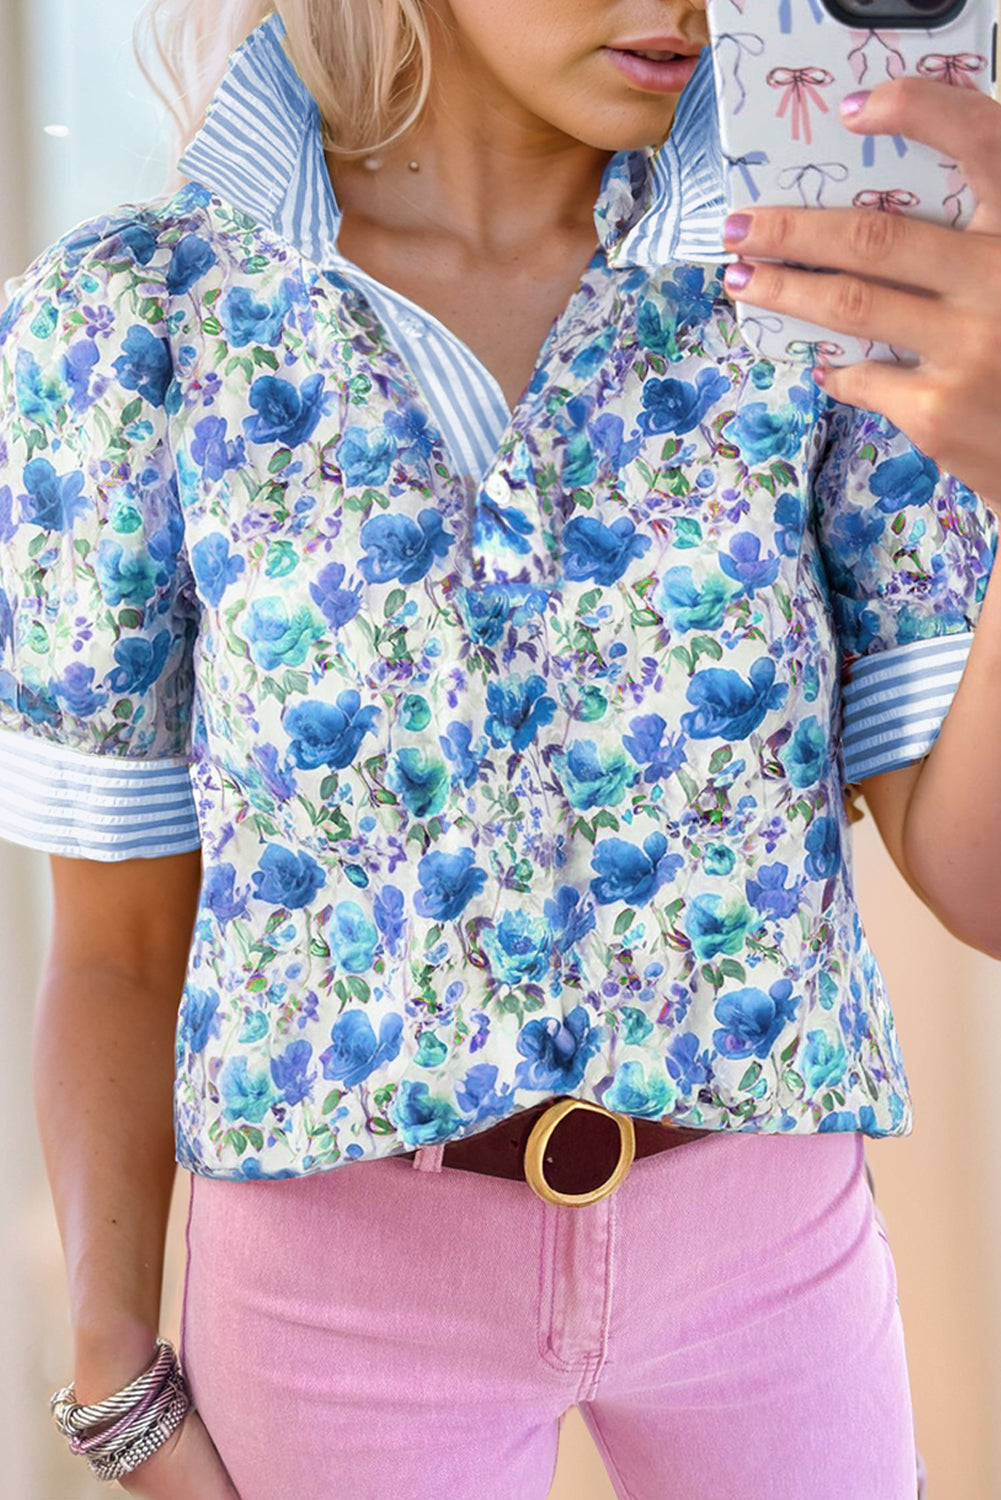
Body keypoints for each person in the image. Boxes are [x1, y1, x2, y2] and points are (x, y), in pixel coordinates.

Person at [1, 1, 999, 1496]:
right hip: (333, 1297)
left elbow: (978, 885)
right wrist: (110, 1363)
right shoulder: (131, 321)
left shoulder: (817, 286)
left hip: (768, 1260)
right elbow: (123, 945)